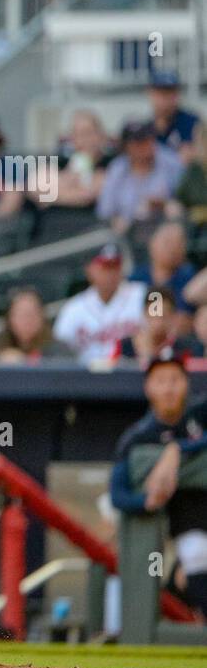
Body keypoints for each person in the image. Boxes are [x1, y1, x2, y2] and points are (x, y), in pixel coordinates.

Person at [110, 349, 207, 617]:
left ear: (186, 383)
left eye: (175, 379)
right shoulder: (138, 437)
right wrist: (146, 501)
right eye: (161, 380)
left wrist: (177, 450)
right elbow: (117, 494)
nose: (169, 388)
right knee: (196, 553)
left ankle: (180, 583)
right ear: (148, 387)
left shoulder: (200, 413)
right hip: (179, 525)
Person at [53, 243, 146, 365]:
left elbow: (163, 321)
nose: (110, 274)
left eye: (115, 267)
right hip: (88, 378)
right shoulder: (73, 308)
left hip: (131, 373)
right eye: (105, 267)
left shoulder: (146, 294)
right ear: (89, 270)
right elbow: (57, 348)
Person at [0, 287, 70, 363]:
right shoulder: (1, 346)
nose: (27, 320)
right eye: (21, 314)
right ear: (9, 318)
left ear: (42, 316)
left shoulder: (59, 351)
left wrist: (23, 361)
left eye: (32, 313)